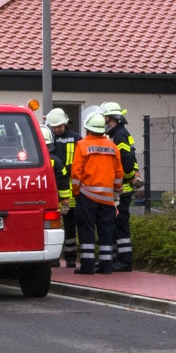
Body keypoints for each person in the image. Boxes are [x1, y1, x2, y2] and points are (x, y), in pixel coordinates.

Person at [71, 111, 124, 275]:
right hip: (107, 199)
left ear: (88, 128)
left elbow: (76, 173)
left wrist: (76, 191)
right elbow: (119, 173)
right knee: (106, 232)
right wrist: (116, 191)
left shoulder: (82, 145)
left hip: (86, 196)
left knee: (86, 230)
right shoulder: (113, 147)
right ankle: (106, 266)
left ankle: (87, 267)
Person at [101, 101, 138, 272]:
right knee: (117, 224)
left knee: (121, 225)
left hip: (122, 190)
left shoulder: (119, 135)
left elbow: (127, 161)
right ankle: (118, 259)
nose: (105, 122)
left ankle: (124, 260)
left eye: (106, 118)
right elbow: (132, 157)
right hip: (121, 188)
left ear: (111, 118)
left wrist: (130, 177)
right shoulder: (121, 133)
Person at [46, 107, 83, 268]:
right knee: (53, 225)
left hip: (73, 189)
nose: (56, 129)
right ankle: (55, 256)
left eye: (59, 126)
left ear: (65, 123)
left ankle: (70, 257)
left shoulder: (76, 139)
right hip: (55, 187)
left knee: (71, 224)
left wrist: (70, 169)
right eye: (54, 127)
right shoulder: (49, 138)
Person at [41, 125, 72, 218]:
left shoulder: (26, 161)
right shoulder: (57, 162)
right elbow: (63, 182)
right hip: (51, 199)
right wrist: (65, 201)